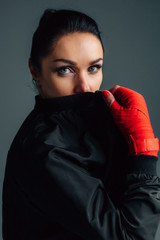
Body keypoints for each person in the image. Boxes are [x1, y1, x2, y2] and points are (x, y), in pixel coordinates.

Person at [2, 8, 160, 240]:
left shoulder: (98, 123)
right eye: (66, 70)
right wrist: (143, 153)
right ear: (35, 71)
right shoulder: (45, 152)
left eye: (94, 68)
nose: (85, 86)